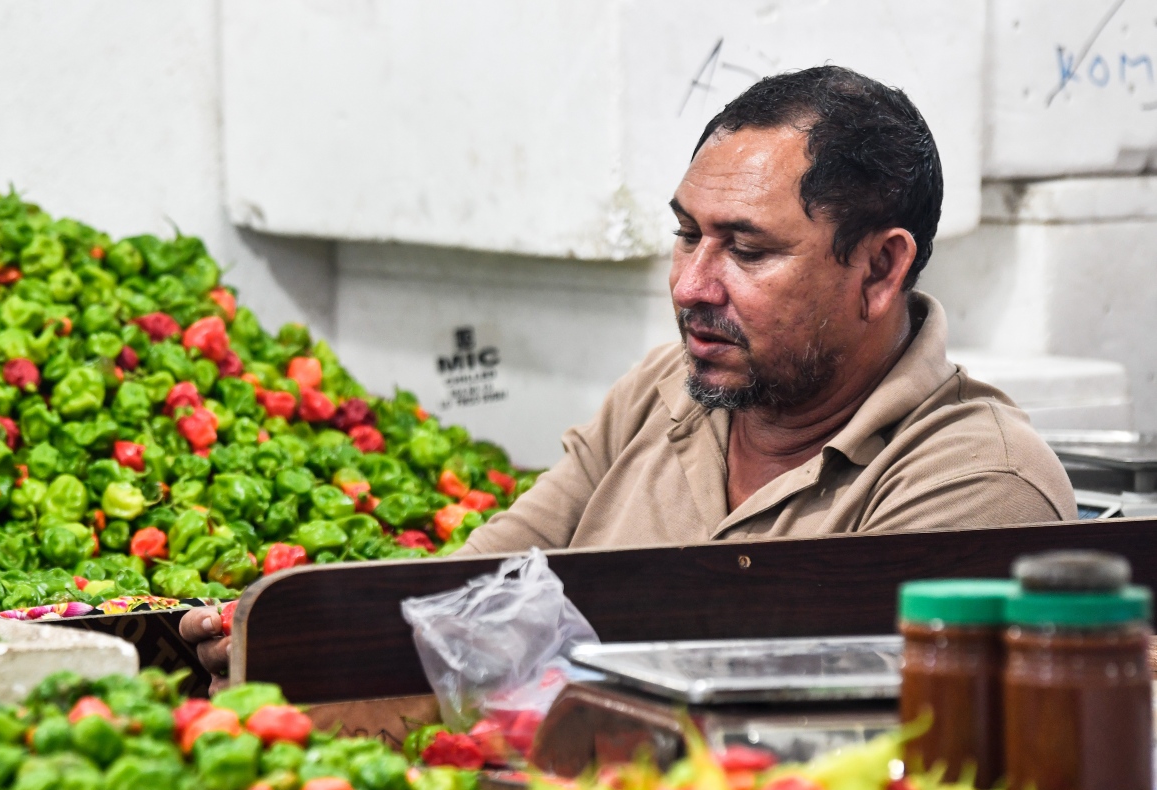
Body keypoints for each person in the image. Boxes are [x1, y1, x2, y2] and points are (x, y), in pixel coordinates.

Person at [181, 66, 1077, 686]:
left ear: (880, 270)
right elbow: (471, 591)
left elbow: (827, 747)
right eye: (689, 234)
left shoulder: (973, 482)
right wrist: (295, 631)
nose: (691, 285)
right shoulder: (664, 389)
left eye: (748, 250)